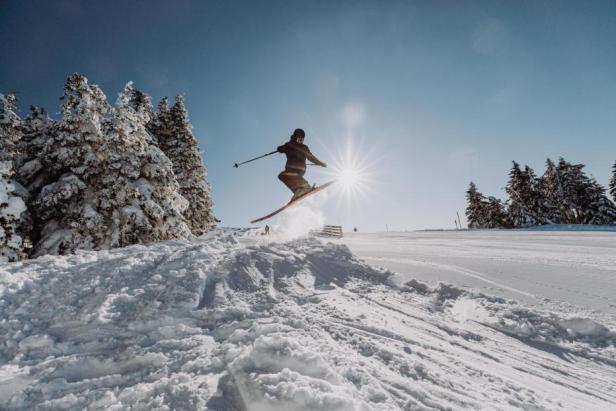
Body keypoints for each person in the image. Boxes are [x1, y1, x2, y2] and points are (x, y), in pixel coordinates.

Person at [277, 128, 326, 200]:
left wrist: (320, 163)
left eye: (302, 139)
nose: (300, 140)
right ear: (294, 137)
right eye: (299, 138)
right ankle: (298, 191)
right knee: (282, 175)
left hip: (299, 168)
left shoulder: (304, 147)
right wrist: (280, 149)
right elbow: (281, 148)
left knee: (290, 172)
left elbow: (311, 157)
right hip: (290, 169)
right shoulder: (289, 145)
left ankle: (305, 186)